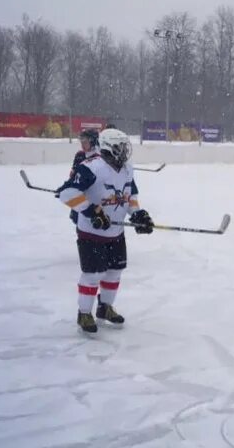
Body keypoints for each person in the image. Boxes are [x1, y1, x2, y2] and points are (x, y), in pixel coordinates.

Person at [58, 128, 155, 333]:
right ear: (110, 147)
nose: (124, 150)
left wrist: (137, 214)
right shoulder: (91, 167)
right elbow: (67, 192)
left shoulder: (128, 168)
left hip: (115, 232)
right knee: (93, 274)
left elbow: (130, 195)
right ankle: (84, 313)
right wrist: (91, 211)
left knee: (114, 271)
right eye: (120, 146)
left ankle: (105, 308)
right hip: (91, 234)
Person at [56, 129, 101, 223]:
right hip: (79, 199)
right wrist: (65, 187)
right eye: (81, 142)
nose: (82, 145)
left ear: (93, 142)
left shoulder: (101, 157)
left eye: (85, 142)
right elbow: (74, 177)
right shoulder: (80, 155)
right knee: (79, 223)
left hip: (94, 201)